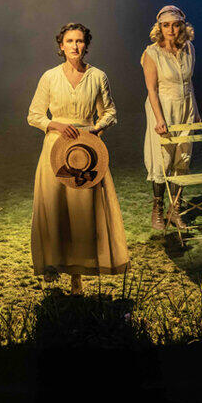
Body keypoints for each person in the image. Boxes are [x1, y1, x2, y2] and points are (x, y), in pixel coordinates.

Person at [27, 23, 128, 294]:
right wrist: (57, 125)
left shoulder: (97, 76)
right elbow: (34, 115)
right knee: (56, 207)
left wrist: (95, 129)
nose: (75, 46)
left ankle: (77, 276)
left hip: (86, 149)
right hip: (56, 149)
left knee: (82, 212)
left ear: (86, 45)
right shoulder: (50, 77)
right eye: (69, 41)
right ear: (61, 46)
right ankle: (52, 263)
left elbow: (110, 112)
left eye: (80, 41)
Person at [141, 5, 200, 230]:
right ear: (160, 27)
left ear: (182, 26)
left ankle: (175, 210)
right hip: (163, 108)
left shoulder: (189, 49)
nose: (171, 30)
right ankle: (157, 209)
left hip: (185, 107)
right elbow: (152, 89)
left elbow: (188, 82)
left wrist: (195, 110)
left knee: (182, 158)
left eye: (175, 25)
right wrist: (159, 118)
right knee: (162, 159)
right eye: (166, 25)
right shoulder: (152, 53)